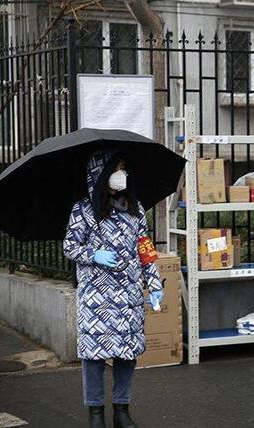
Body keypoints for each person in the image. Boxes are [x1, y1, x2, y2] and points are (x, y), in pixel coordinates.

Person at [63, 151, 164, 428]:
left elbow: (146, 251)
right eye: (115, 169)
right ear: (100, 173)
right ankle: (95, 412)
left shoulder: (135, 208)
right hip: (96, 298)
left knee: (127, 353)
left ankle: (122, 410)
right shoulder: (83, 210)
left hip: (129, 296)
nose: (122, 174)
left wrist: (154, 285)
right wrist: (93, 254)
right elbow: (69, 247)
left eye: (123, 168)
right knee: (94, 357)